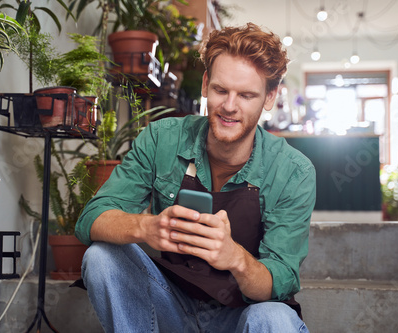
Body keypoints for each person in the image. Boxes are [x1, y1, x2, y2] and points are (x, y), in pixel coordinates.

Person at [75, 22, 316, 332]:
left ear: (270, 98)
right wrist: (146, 227)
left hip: (242, 315)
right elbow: (90, 219)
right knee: (101, 258)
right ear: (205, 85)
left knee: (274, 319)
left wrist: (235, 258)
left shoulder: (293, 171)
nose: (229, 107)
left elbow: (279, 281)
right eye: (220, 90)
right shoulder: (162, 139)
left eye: (246, 95)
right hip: (169, 305)